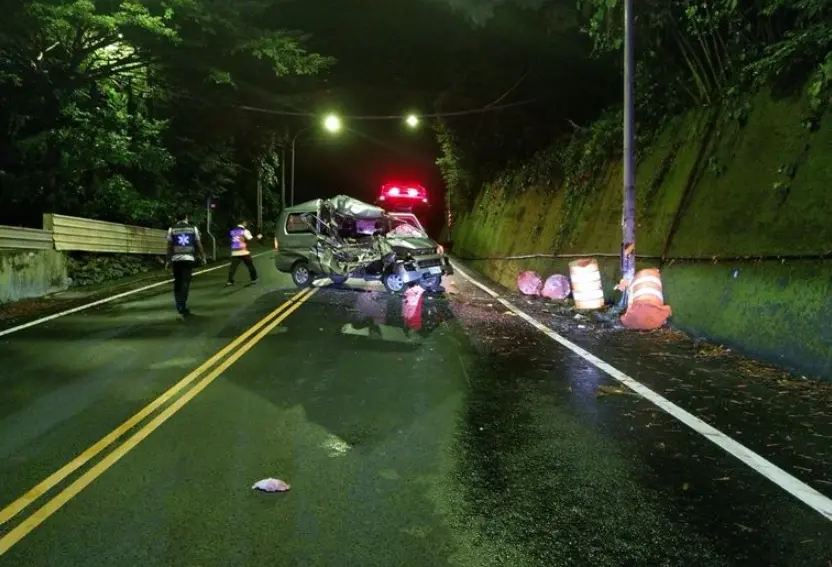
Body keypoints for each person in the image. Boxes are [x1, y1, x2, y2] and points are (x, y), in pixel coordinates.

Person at [165, 209, 206, 316]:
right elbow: (198, 244)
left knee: (177, 281)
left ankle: (179, 303)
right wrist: (203, 256)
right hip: (189, 259)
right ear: (186, 217)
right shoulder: (193, 229)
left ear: (176, 219)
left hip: (176, 259)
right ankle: (183, 303)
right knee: (185, 282)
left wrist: (168, 260)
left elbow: (169, 246)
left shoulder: (171, 229)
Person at [227, 220, 262, 285]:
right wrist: (258, 237)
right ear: (243, 223)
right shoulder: (245, 231)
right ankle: (254, 279)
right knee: (250, 266)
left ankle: (229, 281)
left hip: (235, 251)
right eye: (245, 223)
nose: (246, 224)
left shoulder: (233, 231)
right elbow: (251, 240)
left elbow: (231, 240)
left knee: (233, 267)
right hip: (243, 251)